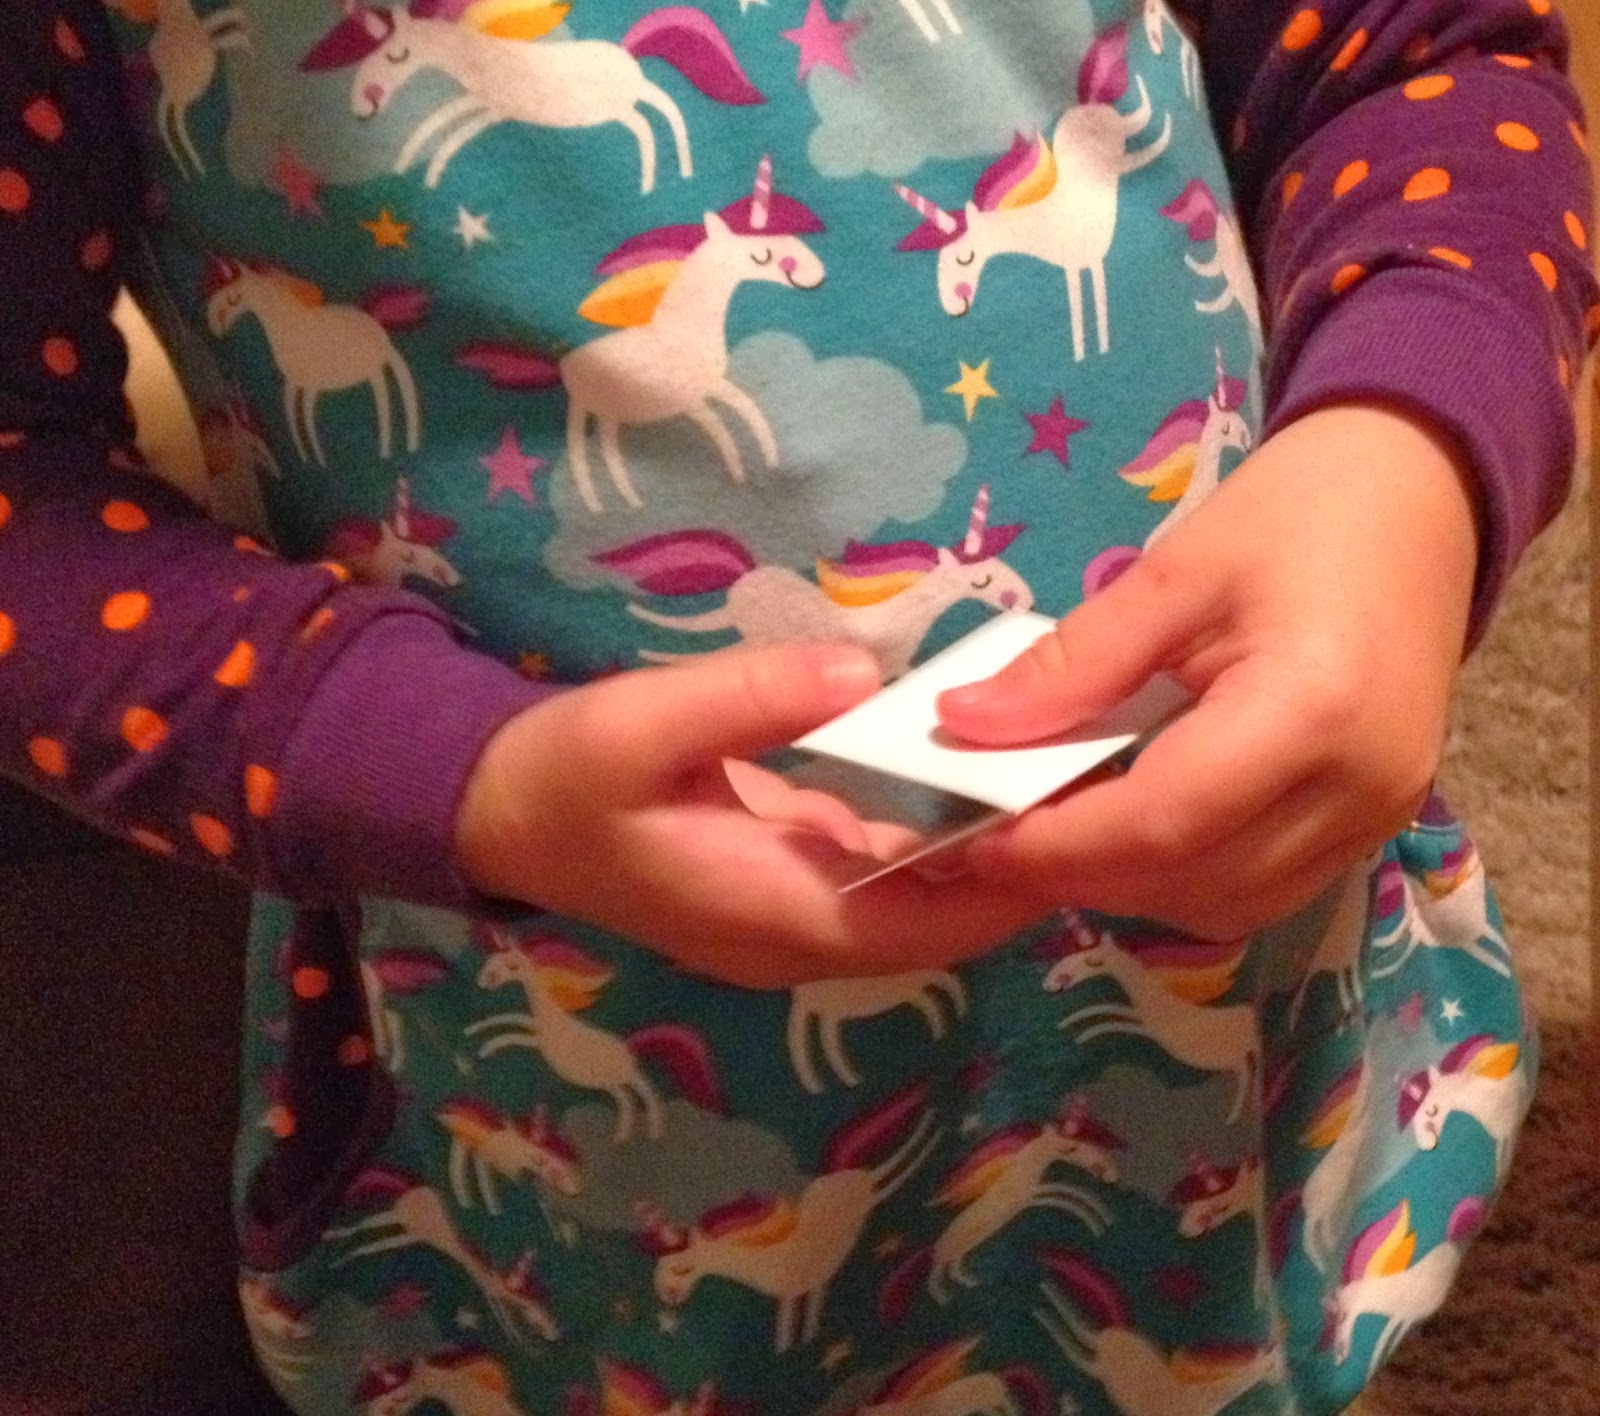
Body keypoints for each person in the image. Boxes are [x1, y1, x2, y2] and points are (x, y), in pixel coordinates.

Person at [0, 0, 1592, 1411]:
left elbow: (1419, 57)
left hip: (1234, 987)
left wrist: (1405, 458)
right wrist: (439, 769)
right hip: (567, 1062)